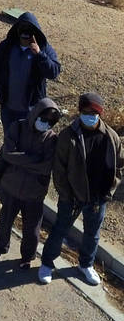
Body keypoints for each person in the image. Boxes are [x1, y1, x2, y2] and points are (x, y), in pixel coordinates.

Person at [38, 93, 123, 286]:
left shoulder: (111, 137)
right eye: (85, 111)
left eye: (93, 112)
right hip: (72, 197)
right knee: (60, 229)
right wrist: (67, 195)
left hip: (97, 197)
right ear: (80, 111)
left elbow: (119, 166)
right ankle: (47, 263)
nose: (89, 115)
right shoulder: (68, 136)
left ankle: (86, 265)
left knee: (92, 234)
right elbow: (59, 170)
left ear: (100, 113)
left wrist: (108, 192)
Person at [0, 98, 59, 266]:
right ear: (35, 115)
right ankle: (0, 249)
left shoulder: (52, 139)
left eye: (50, 121)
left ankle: (27, 257)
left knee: (32, 229)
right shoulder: (18, 127)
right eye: (43, 119)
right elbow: (7, 154)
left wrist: (20, 159)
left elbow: (46, 166)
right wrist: (34, 160)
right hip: (10, 187)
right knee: (5, 222)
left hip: (34, 192)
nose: (45, 123)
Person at [0, 12, 61, 132]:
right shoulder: (6, 47)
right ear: (17, 31)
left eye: (29, 32)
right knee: (10, 140)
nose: (25, 37)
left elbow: (54, 72)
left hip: (32, 110)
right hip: (8, 108)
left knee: (28, 143)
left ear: (35, 32)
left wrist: (40, 55)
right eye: (22, 33)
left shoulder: (44, 48)